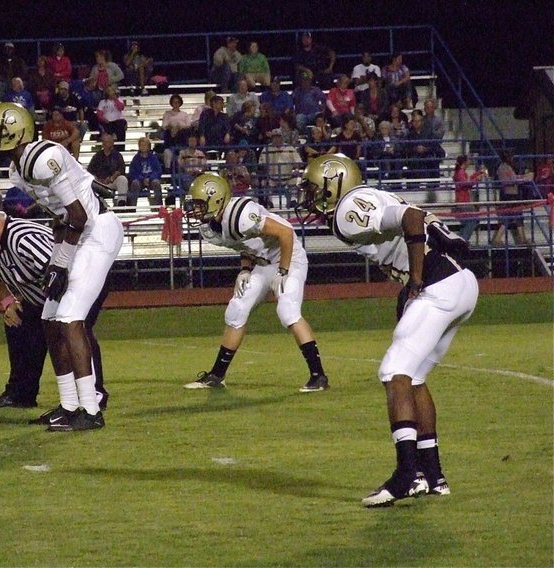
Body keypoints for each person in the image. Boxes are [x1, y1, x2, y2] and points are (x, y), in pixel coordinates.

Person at [298, 153, 478, 507]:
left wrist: (415, 279)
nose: (309, 196)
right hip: (459, 283)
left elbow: (412, 217)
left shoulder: (350, 208)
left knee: (393, 371)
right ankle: (433, 474)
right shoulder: (369, 196)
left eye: (313, 187)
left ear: (333, 183)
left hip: (438, 284)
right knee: (413, 378)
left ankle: (406, 475)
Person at [0, 102, 124, 431]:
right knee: (49, 319)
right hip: (75, 233)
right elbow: (63, 214)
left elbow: (79, 215)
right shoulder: (18, 170)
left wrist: (60, 262)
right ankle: (69, 404)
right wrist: (60, 254)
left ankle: (91, 407)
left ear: (15, 132)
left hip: (97, 230)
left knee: (70, 317)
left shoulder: (43, 158)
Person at [183, 173, 329, 392]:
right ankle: (217, 375)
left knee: (288, 311)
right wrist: (244, 268)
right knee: (236, 309)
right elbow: (245, 244)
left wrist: (283, 270)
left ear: (216, 200)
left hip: (289, 259)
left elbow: (286, 233)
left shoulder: (241, 214)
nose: (194, 211)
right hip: (262, 262)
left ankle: (319, 376)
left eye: (198, 205)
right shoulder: (210, 228)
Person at [0, 198, 110, 413]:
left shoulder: (23, 239)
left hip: (80, 280)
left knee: (73, 328)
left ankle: (95, 394)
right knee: (18, 322)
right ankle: (21, 393)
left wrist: (65, 311)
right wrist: (9, 302)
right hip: (45, 295)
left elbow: (60, 271)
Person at [492, 149, 529, 246]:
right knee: (511, 217)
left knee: (516, 216)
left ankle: (522, 238)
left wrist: (521, 177)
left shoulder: (502, 167)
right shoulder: (506, 167)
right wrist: (525, 179)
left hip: (509, 194)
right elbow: (513, 180)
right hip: (511, 194)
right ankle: (498, 239)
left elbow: (513, 178)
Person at [452, 155, 488, 242]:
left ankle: (459, 239)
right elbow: (466, 183)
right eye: (468, 160)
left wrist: (478, 173)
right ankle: (461, 240)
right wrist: (477, 179)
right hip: (462, 202)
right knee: (472, 221)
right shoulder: (460, 172)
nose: (470, 162)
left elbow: (468, 180)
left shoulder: (462, 172)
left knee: (471, 222)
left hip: (465, 201)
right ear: (465, 162)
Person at [87, 132, 129, 206]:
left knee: (122, 179)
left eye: (108, 142)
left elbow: (121, 169)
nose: (106, 144)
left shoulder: (117, 155)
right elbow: (90, 171)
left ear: (112, 143)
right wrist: (97, 180)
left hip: (112, 181)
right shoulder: (97, 156)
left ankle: (121, 202)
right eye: (104, 142)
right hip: (100, 183)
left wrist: (112, 177)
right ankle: (103, 206)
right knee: (91, 182)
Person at [128, 137, 163, 206]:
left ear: (149, 147)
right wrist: (142, 179)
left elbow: (158, 171)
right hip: (140, 180)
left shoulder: (153, 158)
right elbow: (132, 172)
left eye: (145, 145)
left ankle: (159, 206)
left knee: (156, 182)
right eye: (141, 145)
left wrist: (150, 178)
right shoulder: (136, 158)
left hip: (151, 179)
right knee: (134, 183)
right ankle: (132, 207)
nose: (143, 147)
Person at [161, 93, 192, 171]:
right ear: (171, 103)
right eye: (174, 102)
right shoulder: (167, 114)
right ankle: (168, 170)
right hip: (170, 137)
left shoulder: (184, 114)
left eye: (177, 102)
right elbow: (164, 125)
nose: (176, 104)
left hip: (181, 137)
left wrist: (178, 127)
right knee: (167, 153)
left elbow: (188, 125)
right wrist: (172, 127)